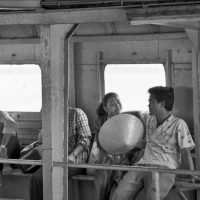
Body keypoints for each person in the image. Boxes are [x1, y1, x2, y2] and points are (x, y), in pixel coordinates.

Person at [111, 86, 196, 200]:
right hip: (143, 164)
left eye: (151, 101)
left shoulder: (179, 124)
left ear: (162, 103)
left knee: (152, 197)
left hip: (165, 167)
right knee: (118, 195)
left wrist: (192, 174)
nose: (148, 105)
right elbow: (144, 137)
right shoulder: (150, 120)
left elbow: (185, 152)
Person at [29, 107, 92, 200]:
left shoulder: (77, 113)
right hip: (56, 159)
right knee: (35, 177)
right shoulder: (51, 117)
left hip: (75, 160)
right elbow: (41, 141)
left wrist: (73, 155)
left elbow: (86, 139)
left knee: (38, 179)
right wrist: (45, 124)